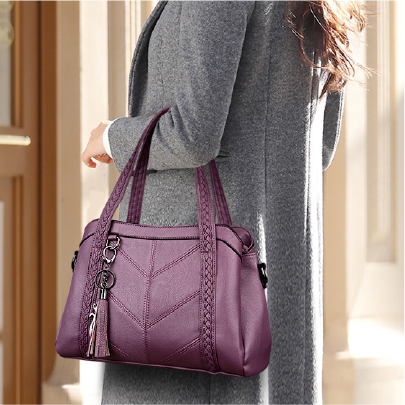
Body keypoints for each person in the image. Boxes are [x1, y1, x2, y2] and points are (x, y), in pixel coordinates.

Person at [82, 0, 367, 403]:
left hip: (195, 280)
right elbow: (319, 147)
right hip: (280, 265)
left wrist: (113, 137)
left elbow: (193, 136)